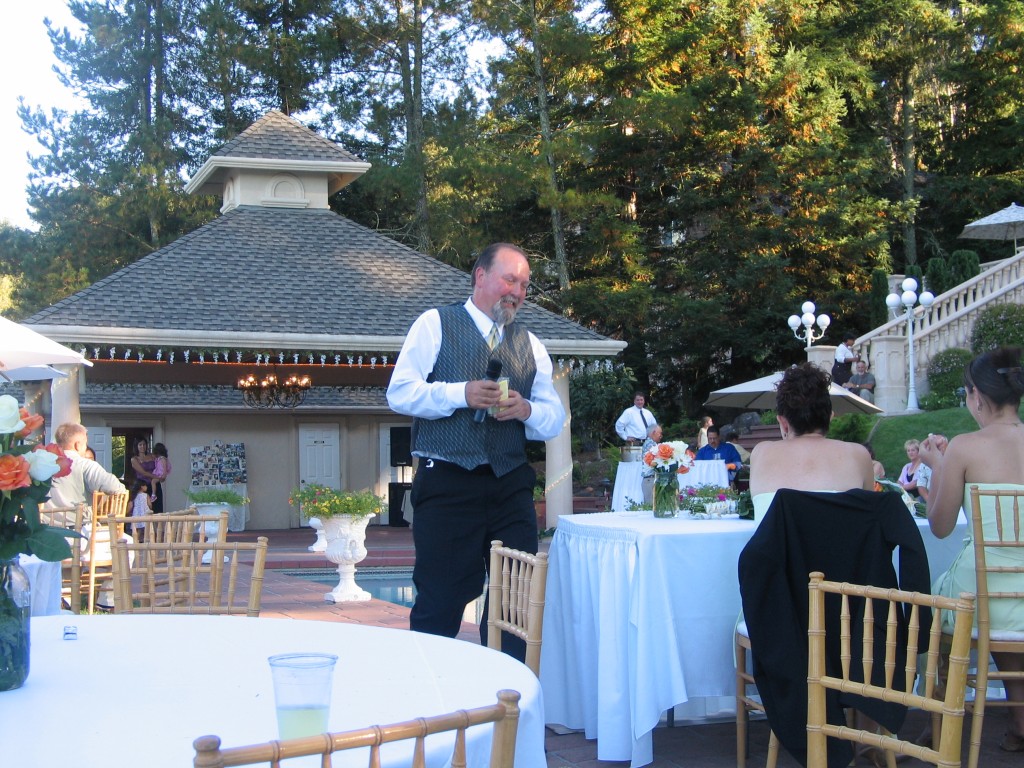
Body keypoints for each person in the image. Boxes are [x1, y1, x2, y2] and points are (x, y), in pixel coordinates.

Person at [386, 242, 566, 660]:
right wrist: (460, 393)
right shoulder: (435, 323)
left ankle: (508, 692)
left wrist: (526, 409)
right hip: (448, 485)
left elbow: (553, 418)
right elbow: (400, 393)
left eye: (524, 285)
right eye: (510, 280)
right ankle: (431, 691)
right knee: (441, 599)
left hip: (510, 485)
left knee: (515, 600)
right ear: (480, 276)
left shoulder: (531, 343)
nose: (517, 291)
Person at [919, 346, 1024, 750]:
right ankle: (1019, 720)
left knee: (936, 605)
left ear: (977, 396)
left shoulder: (965, 446)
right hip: (1018, 594)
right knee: (1008, 613)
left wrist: (938, 466)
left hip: (981, 592)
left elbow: (940, 526)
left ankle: (941, 723)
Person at [749, 363, 874, 521]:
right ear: (830, 417)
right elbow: (868, 516)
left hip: (781, 539)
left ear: (783, 422)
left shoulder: (761, 453)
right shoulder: (858, 455)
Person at [46, 422, 127, 508]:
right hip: (78, 516)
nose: (85, 448)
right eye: (85, 444)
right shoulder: (86, 465)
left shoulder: (42, 465)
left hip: (44, 516)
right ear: (77, 445)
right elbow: (116, 488)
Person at [640, 424, 663, 506]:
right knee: (651, 507)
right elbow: (657, 461)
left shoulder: (649, 443)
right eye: (660, 433)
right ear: (654, 432)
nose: (661, 436)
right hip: (651, 480)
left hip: (650, 480)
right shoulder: (651, 444)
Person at [150, 442, 171, 513]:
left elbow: (164, 467)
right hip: (159, 473)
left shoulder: (162, 459)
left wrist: (164, 475)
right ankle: (153, 494)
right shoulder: (158, 459)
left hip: (161, 474)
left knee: (153, 481)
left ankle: (153, 494)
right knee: (153, 481)